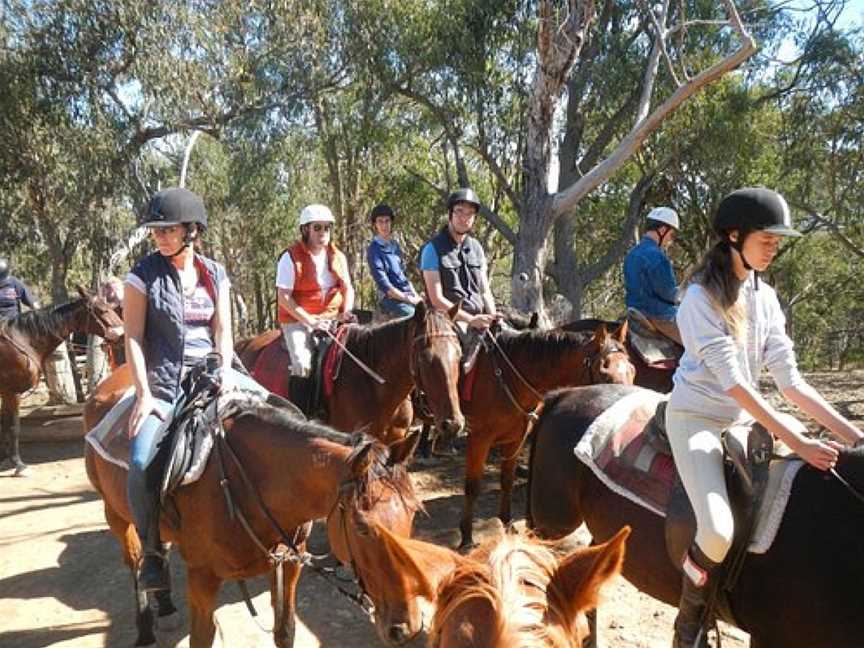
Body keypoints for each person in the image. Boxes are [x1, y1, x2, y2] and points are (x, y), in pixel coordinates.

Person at [666, 187, 864, 647]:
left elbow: (792, 383)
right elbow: (736, 383)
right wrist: (798, 442)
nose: (774, 248)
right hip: (697, 419)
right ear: (734, 236)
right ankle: (688, 625)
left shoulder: (767, 298)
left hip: (743, 421)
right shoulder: (699, 298)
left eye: (778, 240)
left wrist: (855, 436)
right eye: (767, 239)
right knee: (716, 531)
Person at [124, 187, 265, 592]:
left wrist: (224, 368)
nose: (160, 237)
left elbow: (222, 330)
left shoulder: (215, 273)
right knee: (139, 460)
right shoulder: (142, 275)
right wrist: (144, 393)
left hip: (212, 372)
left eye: (169, 230)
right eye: (156, 231)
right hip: (164, 383)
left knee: (276, 414)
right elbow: (133, 336)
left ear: (192, 231)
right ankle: (152, 553)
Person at [276, 204, 356, 408]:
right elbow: (284, 298)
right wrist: (311, 321)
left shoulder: (338, 256)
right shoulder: (290, 258)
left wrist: (346, 311)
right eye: (317, 228)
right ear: (305, 230)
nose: (323, 233)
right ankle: (301, 414)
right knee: (302, 364)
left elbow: (348, 287)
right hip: (298, 320)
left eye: (326, 228)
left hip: (334, 317)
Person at [420, 188, 499, 370]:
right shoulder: (432, 249)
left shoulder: (477, 248)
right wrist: (471, 320)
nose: (465, 218)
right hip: (450, 320)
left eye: (470, 214)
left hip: (479, 315)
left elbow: (485, 290)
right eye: (460, 212)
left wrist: (493, 317)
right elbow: (437, 300)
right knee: (455, 360)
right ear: (450, 214)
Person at [623, 206, 683, 344]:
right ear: (662, 230)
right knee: (701, 344)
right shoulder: (657, 256)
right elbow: (668, 293)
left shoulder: (631, 254)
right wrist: (687, 293)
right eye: (671, 235)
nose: (670, 240)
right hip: (658, 315)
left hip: (634, 312)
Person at [366, 203, 422, 319]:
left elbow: (404, 277)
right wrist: (410, 300)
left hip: (406, 295)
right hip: (389, 299)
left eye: (387, 221)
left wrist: (416, 296)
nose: (384, 225)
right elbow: (386, 286)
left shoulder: (395, 246)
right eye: (380, 221)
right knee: (413, 316)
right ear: (375, 224)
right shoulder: (374, 250)